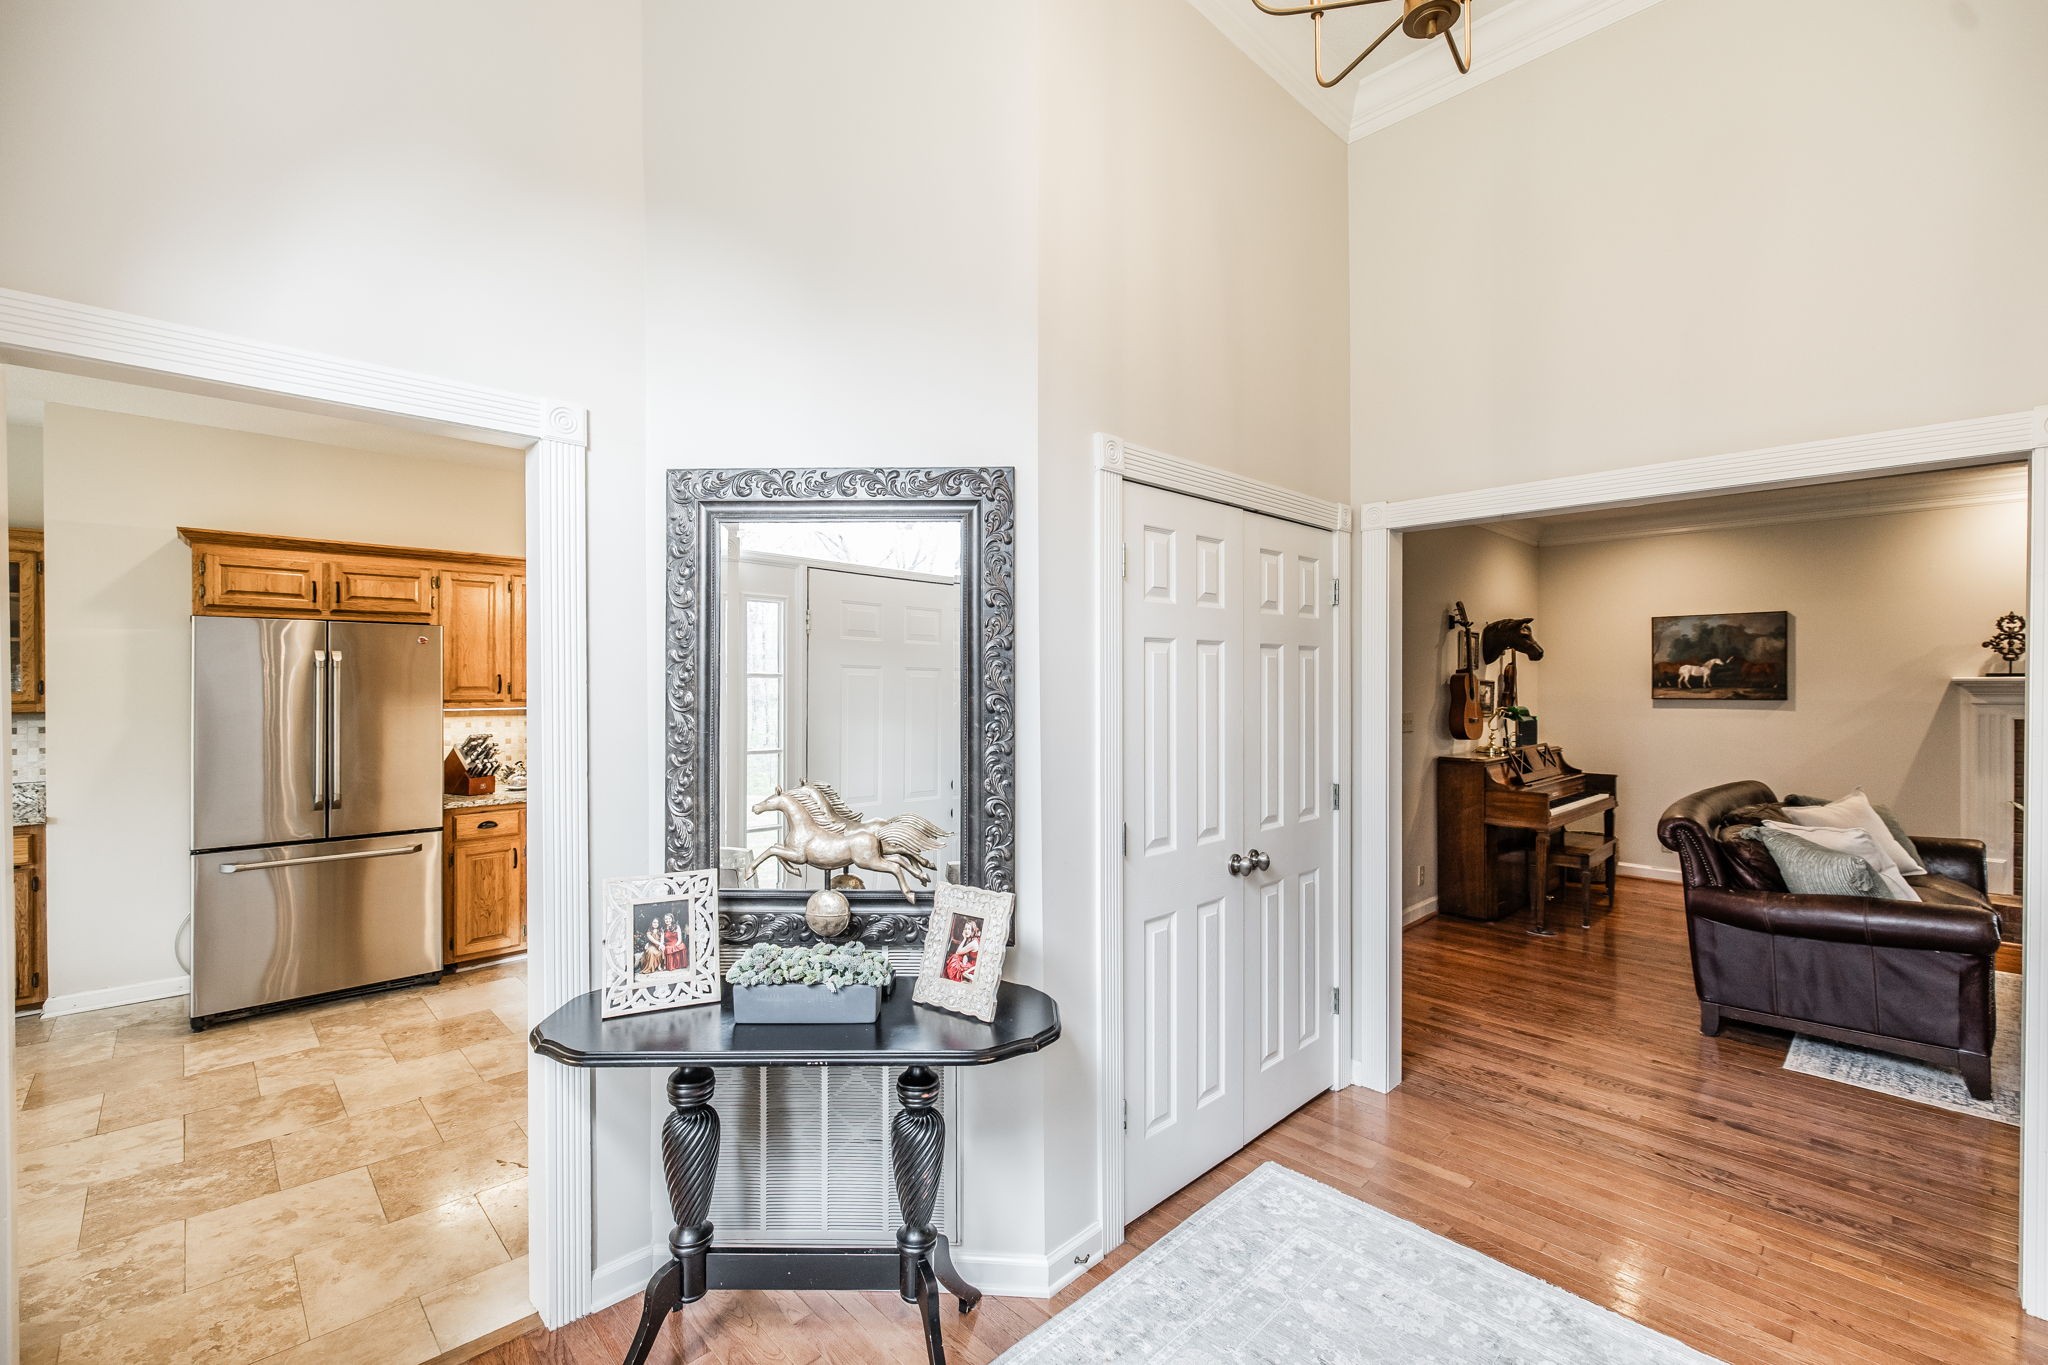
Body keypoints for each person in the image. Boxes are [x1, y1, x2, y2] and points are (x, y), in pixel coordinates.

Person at [943, 917, 981, 984]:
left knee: (955, 957)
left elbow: (958, 952)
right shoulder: (971, 939)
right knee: (957, 957)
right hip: (971, 963)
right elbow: (965, 954)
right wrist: (965, 939)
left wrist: (964, 939)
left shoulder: (974, 943)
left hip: (975, 967)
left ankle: (957, 979)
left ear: (973, 930)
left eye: (969, 929)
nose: (966, 931)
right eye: (965, 929)